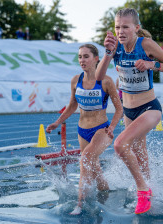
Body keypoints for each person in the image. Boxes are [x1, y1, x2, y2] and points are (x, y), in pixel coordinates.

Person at [95, 8, 163, 214]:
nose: (121, 31)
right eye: (117, 27)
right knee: (141, 159)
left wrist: (152, 64)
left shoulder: (146, 45)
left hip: (149, 108)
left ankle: (143, 190)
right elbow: (98, 78)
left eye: (125, 26)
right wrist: (108, 53)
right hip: (128, 111)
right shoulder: (115, 47)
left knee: (119, 145)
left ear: (136, 28)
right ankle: (153, 193)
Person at [46, 44, 123, 215]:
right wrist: (58, 122)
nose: (82, 60)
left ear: (96, 59)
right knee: (94, 168)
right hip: (82, 130)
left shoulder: (106, 81)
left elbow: (119, 109)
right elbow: (72, 105)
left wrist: (111, 127)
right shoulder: (76, 80)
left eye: (86, 56)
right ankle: (105, 194)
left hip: (102, 130)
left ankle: (80, 204)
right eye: (80, 57)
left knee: (85, 159)